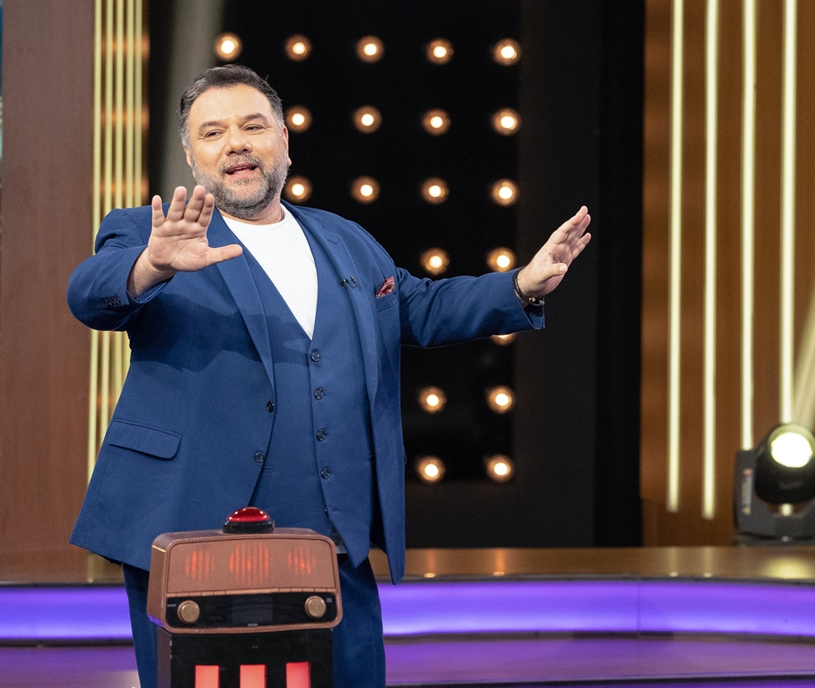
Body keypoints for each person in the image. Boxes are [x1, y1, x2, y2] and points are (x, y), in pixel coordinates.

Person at [66, 65, 591, 687]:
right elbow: (89, 293)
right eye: (213, 132)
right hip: (192, 529)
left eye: (253, 126)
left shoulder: (344, 239)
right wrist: (150, 267)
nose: (235, 143)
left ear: (284, 141)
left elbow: (418, 307)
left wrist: (521, 285)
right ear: (191, 154)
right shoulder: (147, 233)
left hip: (330, 533)